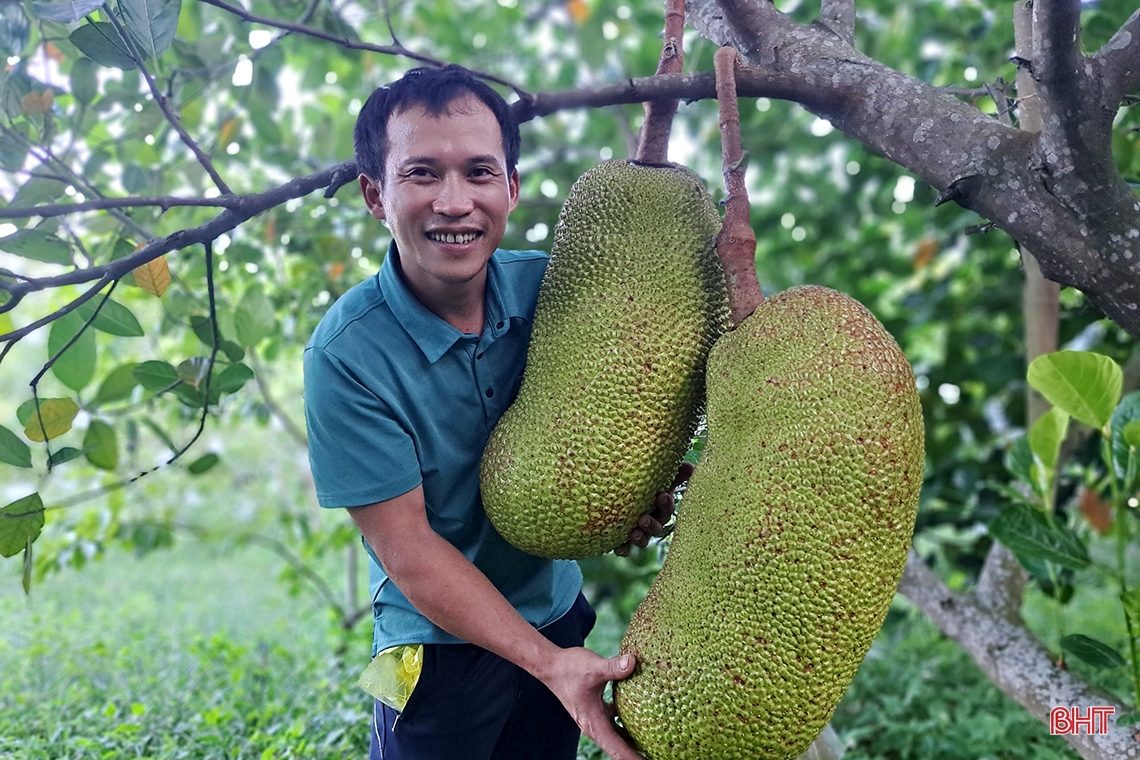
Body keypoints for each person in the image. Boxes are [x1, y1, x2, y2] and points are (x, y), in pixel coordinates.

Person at [302, 64, 679, 760]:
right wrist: (547, 664)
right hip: (429, 648)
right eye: (422, 173)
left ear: (510, 188)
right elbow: (408, 552)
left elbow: (626, 417)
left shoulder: (560, 290)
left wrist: (632, 495)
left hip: (558, 614)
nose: (454, 202)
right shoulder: (346, 355)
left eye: (479, 172)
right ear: (374, 195)